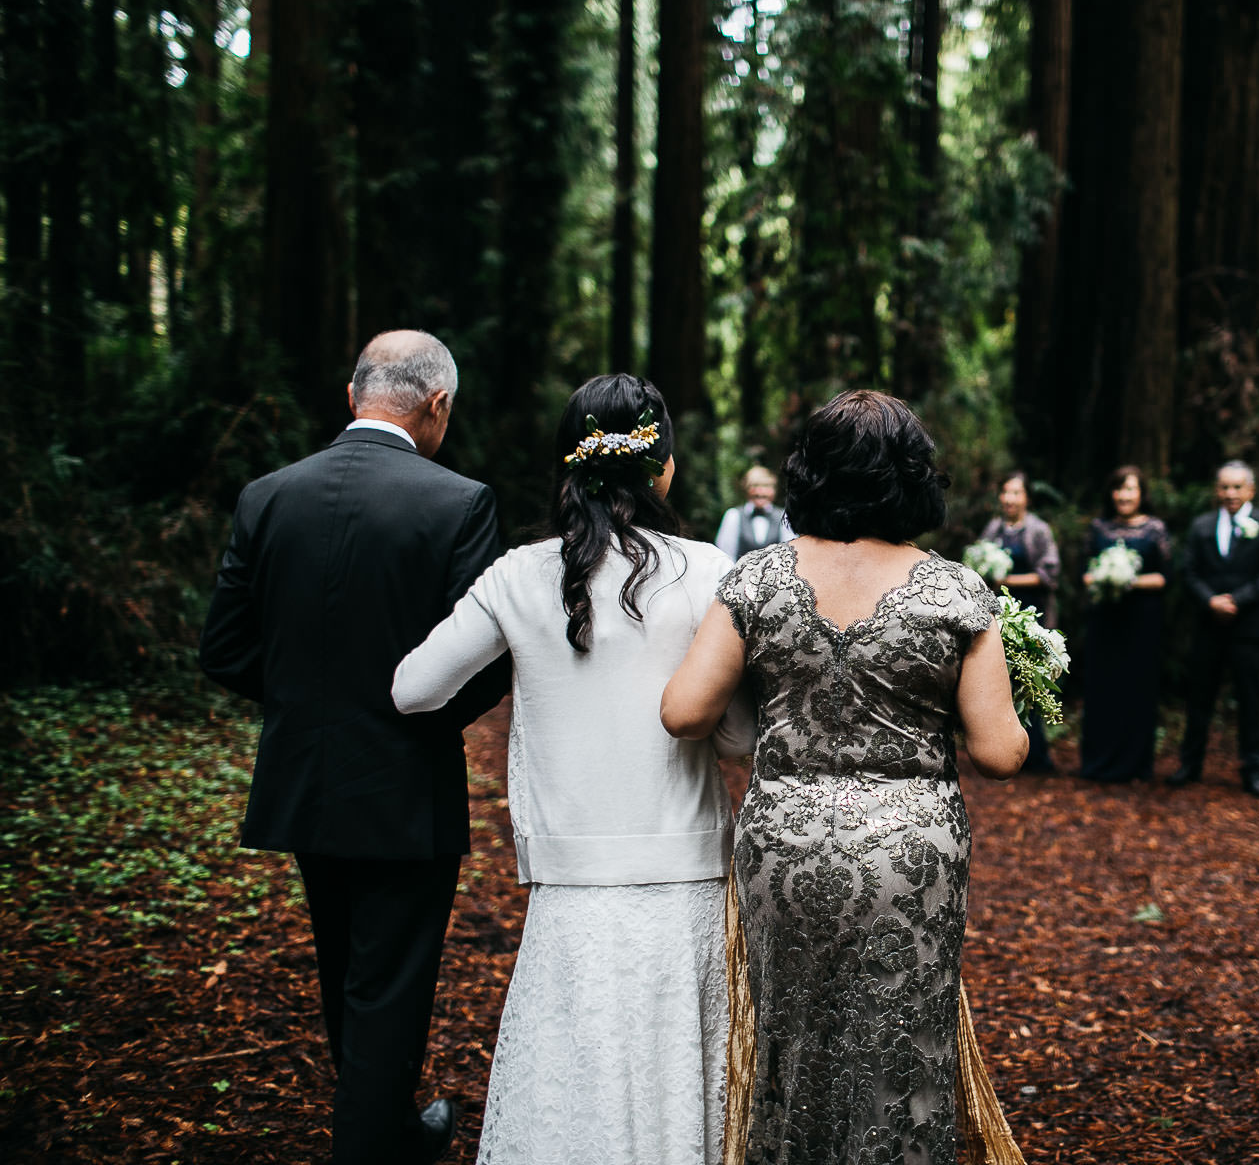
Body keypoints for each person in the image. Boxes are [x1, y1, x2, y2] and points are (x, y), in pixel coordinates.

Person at [660, 389, 1028, 1165]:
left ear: (807, 475)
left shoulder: (756, 581)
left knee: (793, 1038)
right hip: (910, 857)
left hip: (785, 849)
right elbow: (999, 752)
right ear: (912, 478)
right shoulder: (955, 591)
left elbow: (685, 712)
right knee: (902, 1044)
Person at [392, 375, 747, 1165]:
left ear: (568, 467)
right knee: (677, 1098)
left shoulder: (518, 574)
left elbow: (414, 690)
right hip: (684, 879)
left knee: (574, 1094)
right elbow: (737, 739)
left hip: (571, 891)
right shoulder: (707, 570)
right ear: (663, 469)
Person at [199, 330, 506, 1164]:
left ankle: (392, 1126)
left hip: (305, 777)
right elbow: (483, 670)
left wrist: (311, 703)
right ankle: (373, 1147)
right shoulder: (458, 502)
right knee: (392, 984)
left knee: (345, 967)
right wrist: (409, 718)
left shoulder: (268, 495)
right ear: (437, 404)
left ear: (351, 395)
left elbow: (223, 649)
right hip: (407, 786)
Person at [1173, 460, 1259, 796]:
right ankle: (1190, 765)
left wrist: (1236, 600)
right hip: (1208, 626)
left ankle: (1254, 769)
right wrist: (1210, 601)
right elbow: (1188, 571)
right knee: (1199, 698)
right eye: (1224, 487)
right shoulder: (1201, 526)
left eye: (1237, 487)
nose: (1230, 493)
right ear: (1216, 490)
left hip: (1248, 627)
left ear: (1250, 490)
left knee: (1250, 700)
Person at [1076, 465, 1172, 783]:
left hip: (1141, 621)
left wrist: (1127, 580)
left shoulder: (1155, 529)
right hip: (1105, 621)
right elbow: (1085, 573)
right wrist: (1102, 578)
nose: (1124, 495)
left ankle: (1136, 765)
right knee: (1104, 688)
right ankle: (1099, 763)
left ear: (1142, 494)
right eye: (1119, 489)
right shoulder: (1099, 528)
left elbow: (1163, 577)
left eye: (1130, 489)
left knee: (1137, 688)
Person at [978, 471, 1061, 774]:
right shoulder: (994, 528)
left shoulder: (1039, 530)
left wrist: (1007, 579)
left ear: (1026, 497)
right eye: (1005, 492)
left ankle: (1037, 755)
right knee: (1003, 682)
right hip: (999, 616)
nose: (1009, 498)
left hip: (1032, 615)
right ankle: (1005, 752)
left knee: (1032, 683)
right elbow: (978, 565)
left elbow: (1049, 574)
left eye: (1016, 493)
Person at [713, 465, 794, 561]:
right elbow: (725, 556)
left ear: (774, 490)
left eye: (766, 486)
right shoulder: (733, 515)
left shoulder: (783, 516)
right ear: (746, 489)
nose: (760, 492)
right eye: (755, 486)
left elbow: (789, 555)